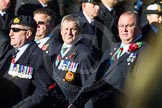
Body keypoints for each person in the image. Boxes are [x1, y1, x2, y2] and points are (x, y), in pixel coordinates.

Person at [68, 11, 148, 108]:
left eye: (129, 25)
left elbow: (139, 91)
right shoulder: (113, 48)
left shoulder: (145, 53)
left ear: (139, 28)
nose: (124, 30)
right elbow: (94, 78)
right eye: (121, 26)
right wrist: (76, 103)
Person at [0, 15, 59, 108]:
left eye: (15, 30)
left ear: (28, 33)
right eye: (10, 30)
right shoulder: (11, 52)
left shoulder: (38, 56)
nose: (10, 33)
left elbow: (44, 90)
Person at [51, 14, 98, 108]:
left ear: (79, 31)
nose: (69, 33)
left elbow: (89, 87)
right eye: (66, 29)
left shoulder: (85, 54)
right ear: (61, 31)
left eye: (73, 29)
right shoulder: (56, 50)